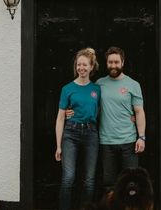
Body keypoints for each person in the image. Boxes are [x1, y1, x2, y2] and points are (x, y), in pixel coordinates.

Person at [55, 47, 101, 210]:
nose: (81, 68)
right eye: (79, 65)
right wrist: (59, 145)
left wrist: (130, 116)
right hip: (71, 133)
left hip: (91, 133)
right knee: (68, 177)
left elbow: (102, 112)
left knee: (89, 180)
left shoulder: (97, 89)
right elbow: (60, 118)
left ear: (91, 67)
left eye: (85, 65)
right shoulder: (67, 89)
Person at [97, 46, 146, 192]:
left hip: (129, 141)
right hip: (106, 141)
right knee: (109, 184)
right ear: (106, 63)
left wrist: (141, 137)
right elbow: (90, 105)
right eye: (110, 62)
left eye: (116, 62)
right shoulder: (99, 83)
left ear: (122, 62)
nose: (113, 65)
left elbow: (139, 111)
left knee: (132, 183)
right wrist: (71, 111)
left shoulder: (133, 84)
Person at [83, 167, 154, 210]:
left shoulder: (146, 203)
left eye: (136, 183)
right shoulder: (113, 200)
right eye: (128, 183)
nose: (132, 185)